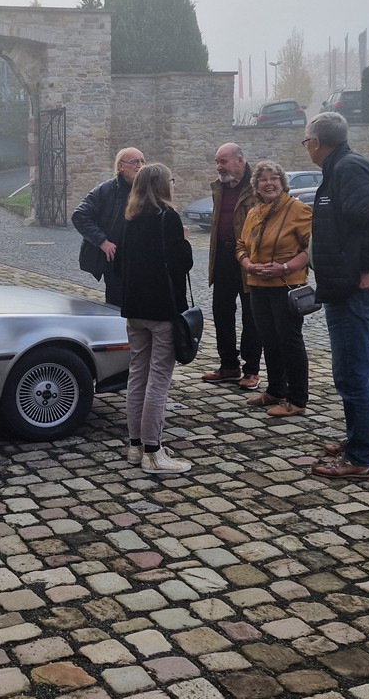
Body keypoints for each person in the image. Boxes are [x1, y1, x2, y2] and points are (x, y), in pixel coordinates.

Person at [301, 112, 369, 478]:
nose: (306, 147)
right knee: (361, 369)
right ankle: (360, 439)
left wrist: (365, 268)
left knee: (352, 372)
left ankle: (360, 457)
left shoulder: (347, 169)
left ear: (316, 142)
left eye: (306, 141)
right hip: (341, 287)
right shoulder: (342, 167)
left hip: (352, 290)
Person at [117, 163, 193, 475]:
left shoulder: (130, 217)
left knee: (137, 377)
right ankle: (153, 451)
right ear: (163, 184)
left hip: (135, 308)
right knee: (158, 379)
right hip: (162, 309)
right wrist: (184, 241)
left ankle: (135, 446)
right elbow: (181, 264)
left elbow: (121, 264)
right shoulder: (168, 216)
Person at [236, 160, 313, 417]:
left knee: (289, 341)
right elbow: (241, 245)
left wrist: (285, 267)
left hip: (286, 285)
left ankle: (297, 399)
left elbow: (310, 249)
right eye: (263, 179)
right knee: (269, 339)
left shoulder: (298, 210)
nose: (268, 183)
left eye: (274, 179)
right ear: (256, 185)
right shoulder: (254, 211)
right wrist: (248, 264)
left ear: (282, 183)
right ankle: (276, 390)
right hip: (258, 285)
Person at [201, 142, 261, 389]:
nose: (219, 167)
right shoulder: (219, 187)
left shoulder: (257, 186)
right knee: (221, 311)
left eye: (223, 161)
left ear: (240, 161)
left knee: (251, 315)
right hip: (223, 257)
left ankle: (251, 369)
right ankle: (228, 365)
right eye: (217, 162)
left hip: (249, 260)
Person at [73, 147, 145, 307]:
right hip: (116, 260)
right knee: (117, 305)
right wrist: (102, 241)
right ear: (121, 166)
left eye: (142, 161)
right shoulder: (106, 190)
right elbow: (80, 216)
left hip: (140, 259)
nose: (140, 166)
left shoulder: (146, 190)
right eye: (134, 162)